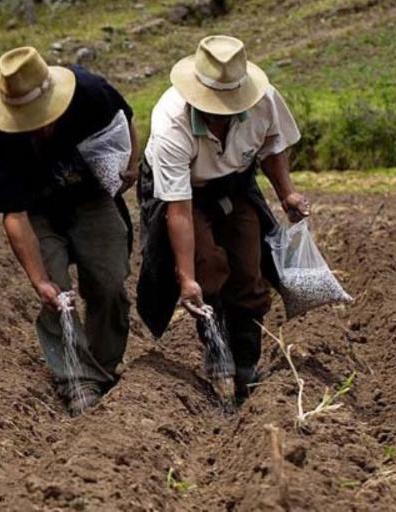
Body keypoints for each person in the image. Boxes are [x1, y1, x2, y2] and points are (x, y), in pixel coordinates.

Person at [137, 35, 310, 404]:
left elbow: (272, 145)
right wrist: (186, 279)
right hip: (183, 192)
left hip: (235, 182)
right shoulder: (172, 121)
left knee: (250, 271)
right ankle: (216, 347)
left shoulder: (264, 100)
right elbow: (180, 211)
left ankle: (246, 365)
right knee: (206, 266)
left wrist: (287, 193)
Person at [0, 47, 140, 416]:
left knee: (111, 283)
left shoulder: (90, 91)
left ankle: (102, 366)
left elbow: (124, 120)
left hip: (91, 197)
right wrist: (39, 281)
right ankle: (76, 378)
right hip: (38, 212)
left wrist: (131, 162)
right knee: (57, 293)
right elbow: (15, 217)